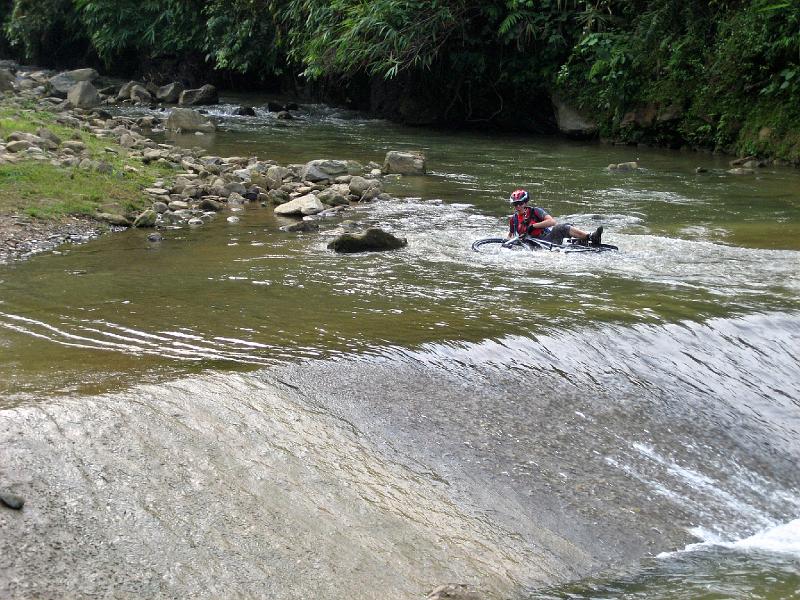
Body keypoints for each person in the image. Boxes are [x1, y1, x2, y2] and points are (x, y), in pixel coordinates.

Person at [505, 189, 603, 246]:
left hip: (547, 240)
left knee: (561, 227)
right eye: (515, 204)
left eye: (520, 204)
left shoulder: (535, 211)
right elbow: (510, 235)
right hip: (530, 244)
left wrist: (533, 226)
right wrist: (508, 243)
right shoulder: (514, 219)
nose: (517, 207)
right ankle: (581, 240)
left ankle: (590, 237)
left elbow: (552, 222)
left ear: (525, 202)